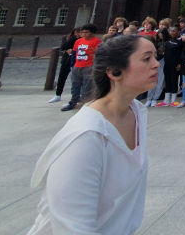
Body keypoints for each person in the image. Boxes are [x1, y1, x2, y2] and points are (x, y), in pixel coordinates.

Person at [27, 35, 158, 234]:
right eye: (147, 58)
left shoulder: (137, 111)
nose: (157, 64)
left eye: (156, 57)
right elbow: (72, 227)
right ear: (114, 72)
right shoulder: (85, 137)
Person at [61, 24, 102, 112]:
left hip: (89, 66)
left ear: (92, 33)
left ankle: (85, 103)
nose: (84, 34)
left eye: (86, 32)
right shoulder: (78, 41)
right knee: (75, 85)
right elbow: (75, 53)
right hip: (78, 65)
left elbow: (98, 54)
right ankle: (73, 101)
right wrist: (72, 65)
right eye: (82, 32)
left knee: (87, 86)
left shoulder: (96, 41)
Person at [48, 28, 79, 103]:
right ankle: (58, 95)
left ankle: (76, 97)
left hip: (76, 62)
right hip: (66, 61)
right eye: (77, 32)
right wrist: (67, 50)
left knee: (76, 80)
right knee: (61, 78)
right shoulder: (71, 39)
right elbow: (63, 47)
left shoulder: (81, 40)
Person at [157, 28, 183, 107]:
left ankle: (173, 100)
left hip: (175, 65)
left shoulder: (179, 42)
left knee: (174, 81)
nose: (172, 32)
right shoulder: (167, 41)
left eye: (174, 31)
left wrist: (179, 64)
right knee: (167, 81)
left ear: (178, 32)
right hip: (167, 64)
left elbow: (181, 54)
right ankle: (166, 100)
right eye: (171, 31)